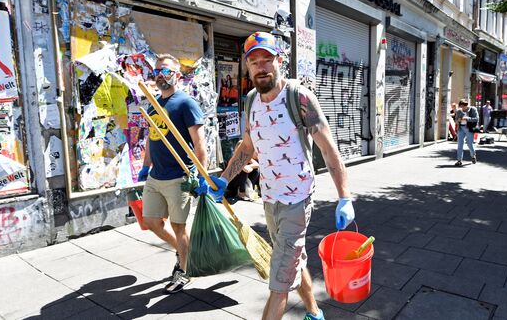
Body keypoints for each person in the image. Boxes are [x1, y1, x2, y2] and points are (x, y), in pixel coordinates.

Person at [197, 32, 354, 320]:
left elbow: (330, 150)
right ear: (247, 66)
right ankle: (314, 313)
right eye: (254, 61)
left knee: (279, 281)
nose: (261, 67)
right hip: (269, 199)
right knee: (294, 260)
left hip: (297, 200)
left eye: (267, 60)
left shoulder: (299, 98)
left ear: (278, 61)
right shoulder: (250, 101)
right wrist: (225, 178)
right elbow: (247, 147)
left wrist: (345, 197)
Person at [138, 54, 207, 293]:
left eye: (165, 71)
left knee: (179, 226)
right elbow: (151, 138)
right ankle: (183, 250)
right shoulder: (153, 103)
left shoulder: (185, 103)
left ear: (177, 75)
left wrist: (200, 175)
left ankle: (184, 270)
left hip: (179, 177)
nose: (160, 75)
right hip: (155, 176)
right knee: (150, 222)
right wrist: (145, 166)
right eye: (157, 71)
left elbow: (199, 144)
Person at [454, 99, 479, 167]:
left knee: (469, 143)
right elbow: (455, 120)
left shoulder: (473, 109)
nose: (462, 108)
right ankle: (459, 160)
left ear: (466, 105)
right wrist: (458, 120)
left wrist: (467, 118)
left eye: (463, 107)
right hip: (461, 128)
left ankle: (473, 156)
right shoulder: (459, 111)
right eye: (461, 107)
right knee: (460, 144)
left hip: (469, 128)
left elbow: (476, 118)